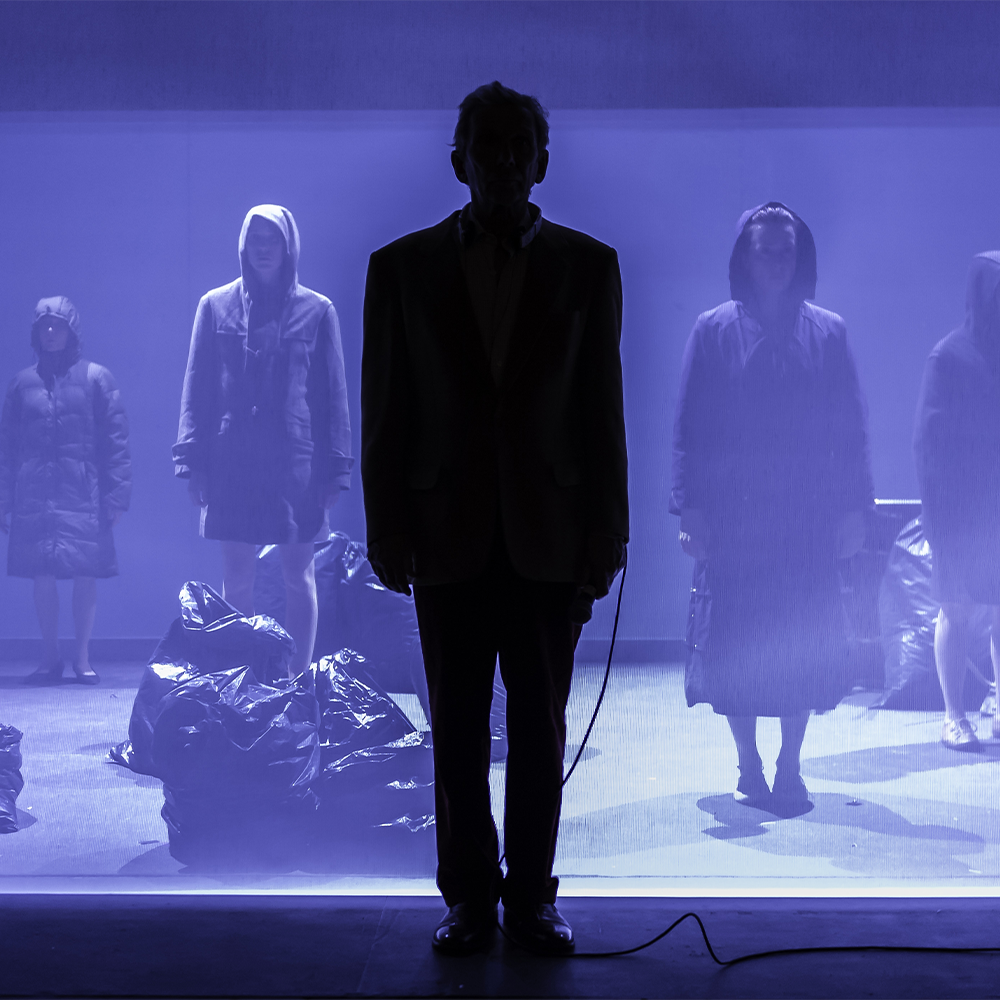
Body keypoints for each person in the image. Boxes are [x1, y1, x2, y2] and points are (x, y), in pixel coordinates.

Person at [361, 82, 628, 955]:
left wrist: (607, 532)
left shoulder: (591, 267)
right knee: (458, 731)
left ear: (541, 161)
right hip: (445, 536)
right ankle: (471, 899)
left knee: (542, 728)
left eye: (520, 146)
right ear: (459, 162)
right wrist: (385, 524)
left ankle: (533, 897)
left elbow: (602, 410)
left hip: (550, 536)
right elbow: (386, 412)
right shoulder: (398, 268)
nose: (505, 160)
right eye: (490, 145)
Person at [670, 202, 872, 813]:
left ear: (800, 256)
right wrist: (691, 511)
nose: (777, 263)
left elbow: (851, 430)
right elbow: (689, 429)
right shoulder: (712, 331)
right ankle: (748, 763)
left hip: (806, 520)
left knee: (798, 642)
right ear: (745, 258)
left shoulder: (828, 332)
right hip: (737, 522)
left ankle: (789, 765)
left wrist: (854, 510)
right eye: (766, 251)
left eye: (786, 251)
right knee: (737, 643)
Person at [173, 205, 352, 676]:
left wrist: (337, 469)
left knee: (299, 574)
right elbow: (198, 388)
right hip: (232, 464)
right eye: (256, 240)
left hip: (296, 467)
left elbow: (333, 397)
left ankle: (296, 682)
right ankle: (242, 677)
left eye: (272, 240)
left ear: (289, 245)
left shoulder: (318, 310)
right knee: (238, 578)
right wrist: (191, 461)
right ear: (243, 246)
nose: (264, 249)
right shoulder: (214, 306)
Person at [0, 297, 131, 685]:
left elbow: (116, 442)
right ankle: (49, 656)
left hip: (82, 494)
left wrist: (116, 497)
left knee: (84, 574)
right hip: (35, 495)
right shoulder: (22, 384)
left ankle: (83, 657)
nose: (51, 332)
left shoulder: (96, 378)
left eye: (58, 326)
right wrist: (4, 499)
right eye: (45, 326)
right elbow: (6, 447)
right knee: (42, 575)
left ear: (71, 330)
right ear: (36, 333)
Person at [914, 252, 1000, 750]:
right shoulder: (949, 356)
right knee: (957, 609)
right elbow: (929, 446)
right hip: (958, 513)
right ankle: (953, 715)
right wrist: (937, 519)